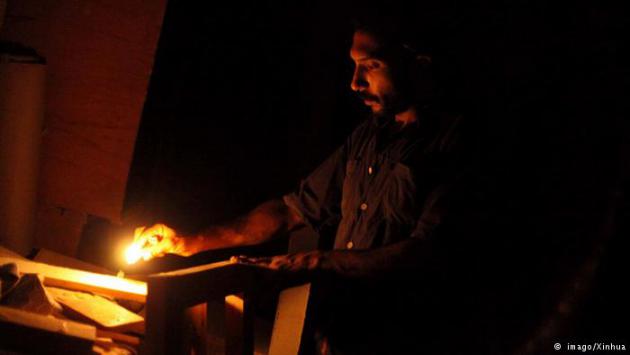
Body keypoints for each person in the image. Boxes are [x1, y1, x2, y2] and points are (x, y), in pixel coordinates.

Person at [131, 14, 477, 354]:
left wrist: (312, 262)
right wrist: (189, 241)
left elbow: (425, 254)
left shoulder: (455, 146)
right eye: (354, 66)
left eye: (371, 65)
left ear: (418, 65)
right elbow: (290, 210)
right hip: (336, 334)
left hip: (399, 339)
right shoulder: (367, 137)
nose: (355, 83)